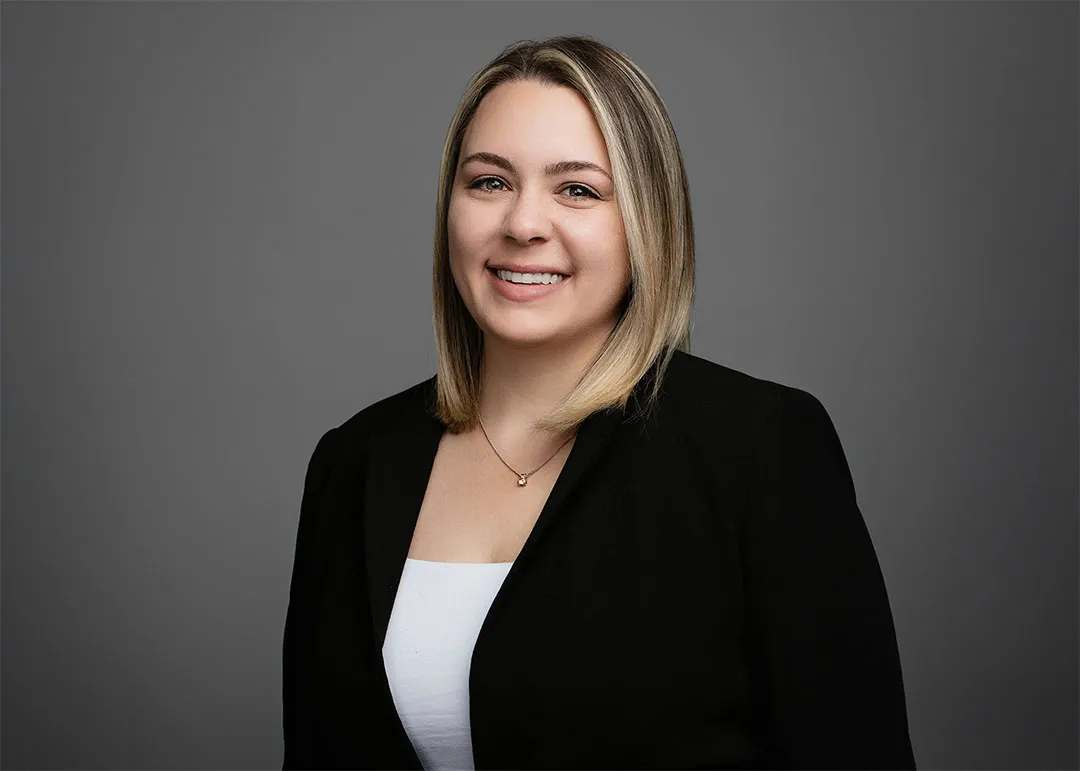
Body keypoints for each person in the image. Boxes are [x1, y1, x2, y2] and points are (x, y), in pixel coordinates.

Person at [282, 35, 917, 771]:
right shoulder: (354, 462)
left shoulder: (761, 448)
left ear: (646, 222)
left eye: (577, 189)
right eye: (489, 182)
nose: (522, 224)